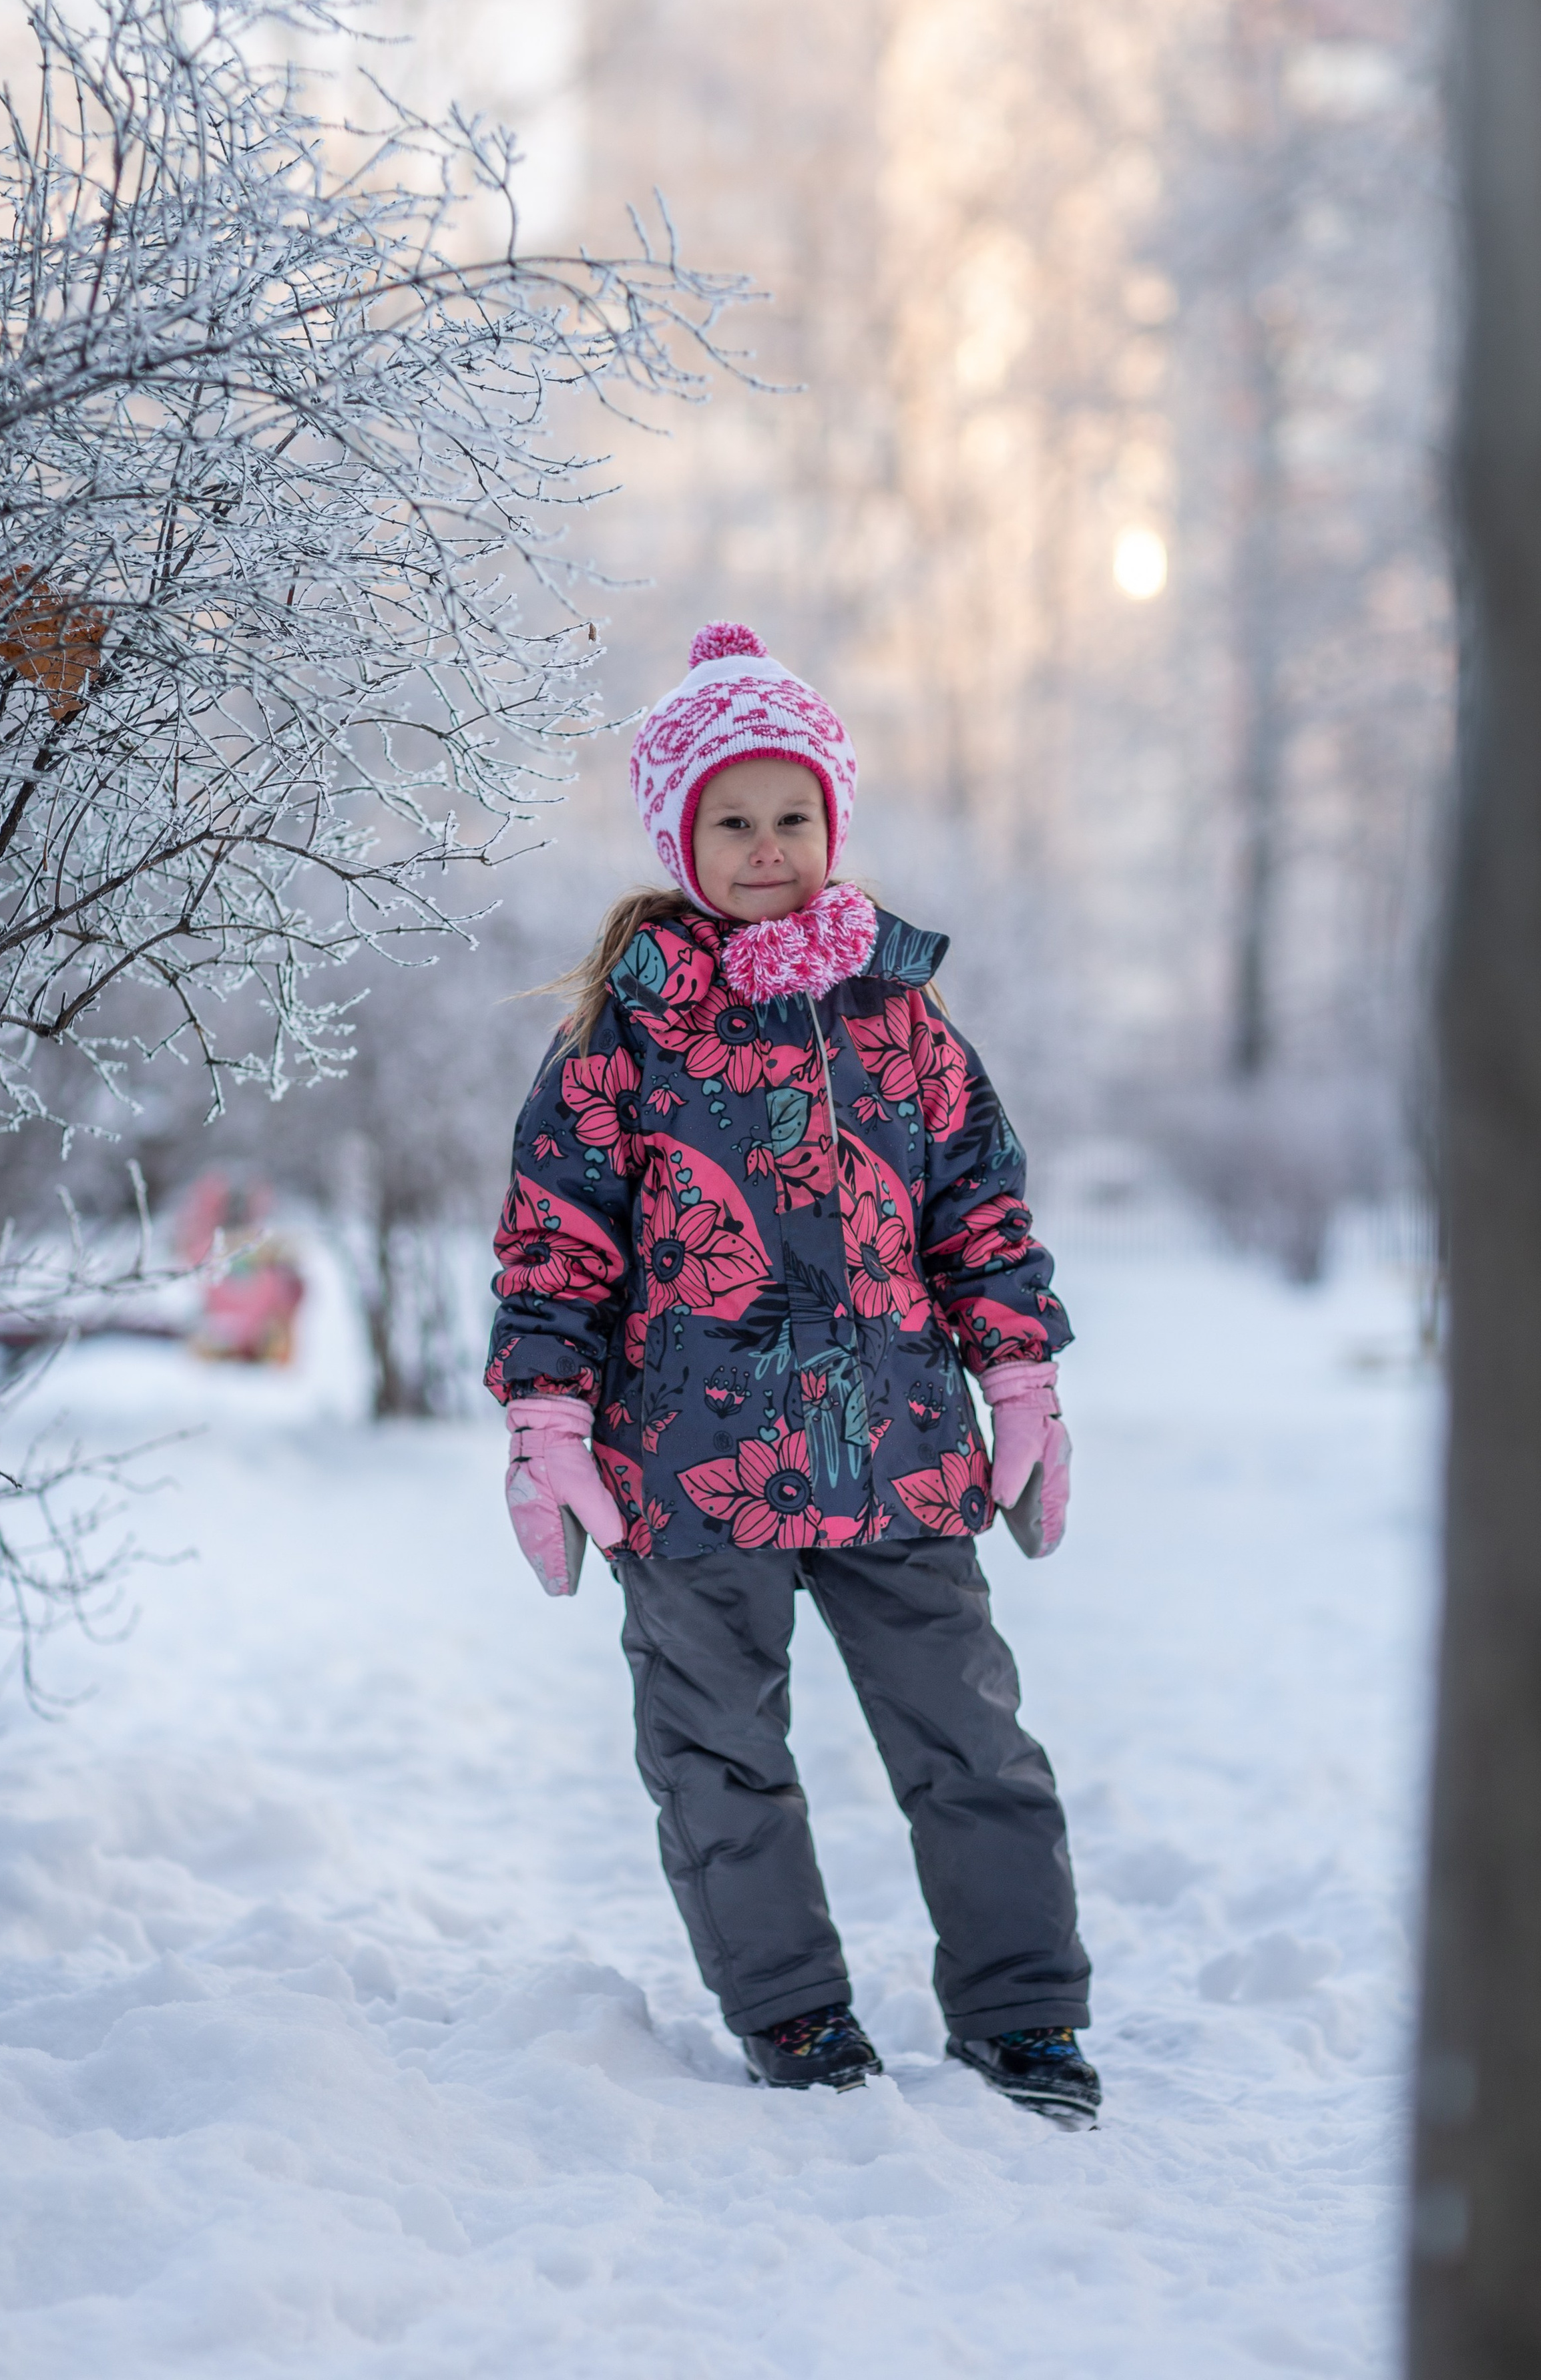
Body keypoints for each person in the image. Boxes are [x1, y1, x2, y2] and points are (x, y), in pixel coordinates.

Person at [485, 622, 1097, 2122]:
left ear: (833, 819)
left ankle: (1022, 2019)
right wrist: (542, 1420)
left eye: (792, 817)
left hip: (892, 1451)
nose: (768, 850)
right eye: (733, 823)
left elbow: (979, 1208)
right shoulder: (625, 1028)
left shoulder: (901, 1015)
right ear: (684, 839)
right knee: (715, 1758)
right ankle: (793, 2017)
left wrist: (1020, 1381)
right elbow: (553, 1235)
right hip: (684, 1468)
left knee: (972, 1745)